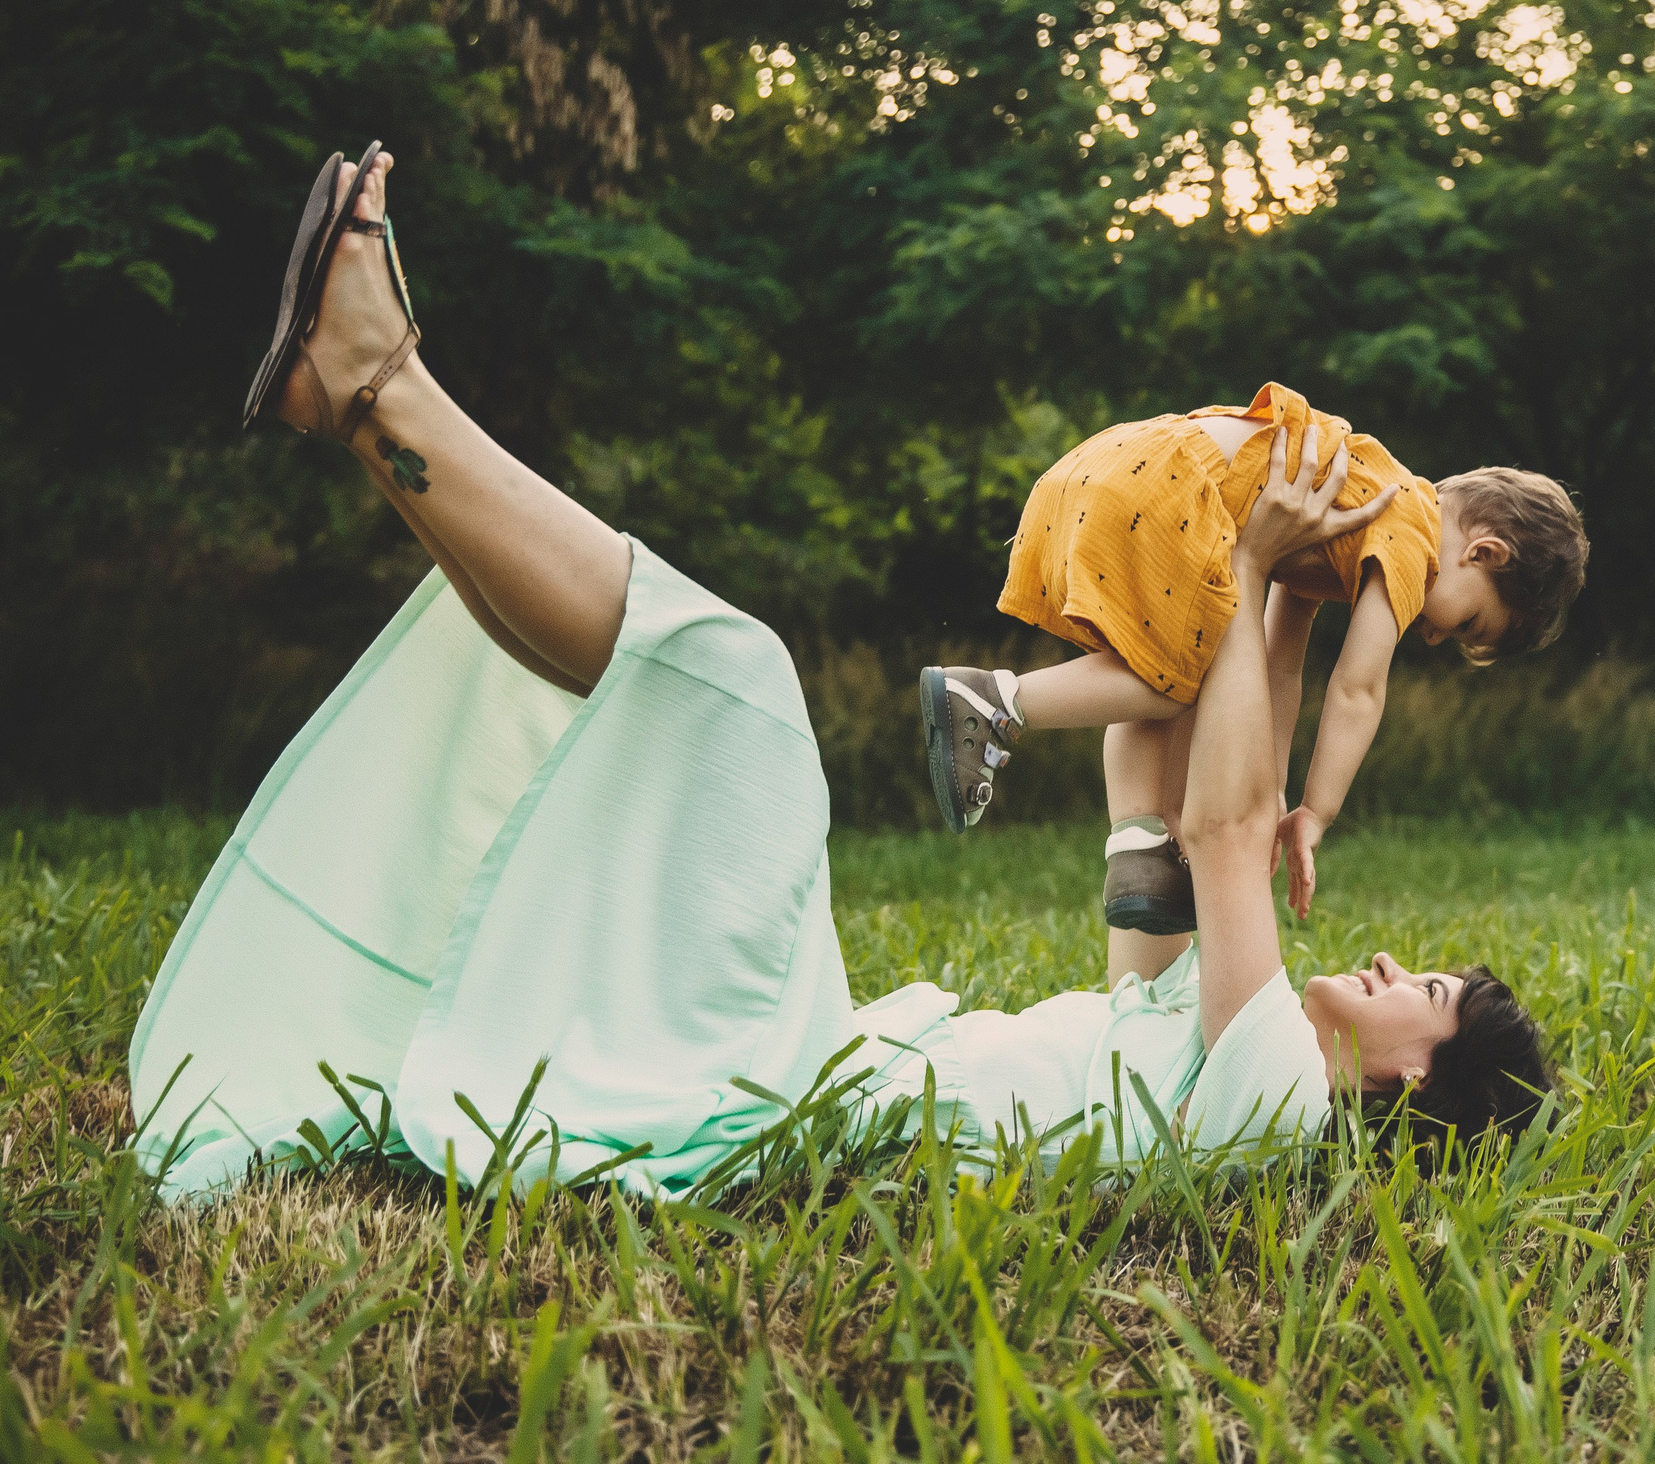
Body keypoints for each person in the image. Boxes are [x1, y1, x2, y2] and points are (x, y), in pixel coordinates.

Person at [126, 146, 1554, 1198]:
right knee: (693, 681)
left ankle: (380, 382)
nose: (1385, 960)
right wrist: (1174, 633)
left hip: (791, 1093)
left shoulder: (1269, 1104)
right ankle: (364, 394)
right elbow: (1152, 835)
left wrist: (1253, 572)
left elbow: (1230, 828)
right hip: (816, 1064)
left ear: (1417, 1079)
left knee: (728, 677)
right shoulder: (1203, 1042)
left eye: (1420, 982)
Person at [920, 386, 1588, 935]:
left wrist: (1270, 786)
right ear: (1485, 552)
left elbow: (1277, 667)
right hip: (1166, 490)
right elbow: (1358, 689)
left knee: (1167, 667)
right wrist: (1316, 812)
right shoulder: (1410, 525)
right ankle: (994, 702)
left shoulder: (1353, 514)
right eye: (1467, 622)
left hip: (1116, 464)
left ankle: (1145, 852)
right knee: (1174, 685)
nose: (1436, 638)